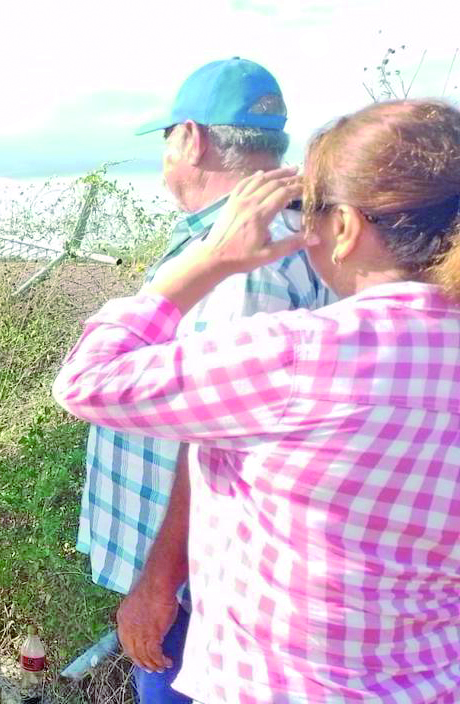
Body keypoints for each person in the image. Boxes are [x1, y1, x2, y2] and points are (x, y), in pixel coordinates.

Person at [55, 98, 460, 702]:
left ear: (345, 227)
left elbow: (89, 380)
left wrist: (211, 257)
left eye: (310, 212)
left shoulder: (305, 354)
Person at [73, 57, 330, 703]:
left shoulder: (243, 260)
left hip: (198, 583)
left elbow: (221, 436)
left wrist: (160, 582)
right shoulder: (280, 238)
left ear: (191, 138)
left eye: (166, 141)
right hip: (206, 573)